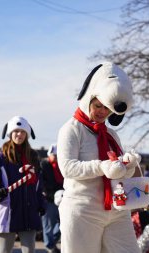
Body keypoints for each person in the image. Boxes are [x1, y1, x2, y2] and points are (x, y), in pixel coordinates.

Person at [57, 62, 142, 253]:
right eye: (98, 106)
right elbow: (68, 168)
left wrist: (127, 166)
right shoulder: (70, 129)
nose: (102, 112)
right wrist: (102, 166)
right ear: (89, 99)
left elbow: (116, 171)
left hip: (116, 210)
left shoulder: (112, 135)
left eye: (107, 108)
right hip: (82, 209)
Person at [0, 116, 46, 253]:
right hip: (9, 212)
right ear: (10, 133)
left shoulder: (33, 158)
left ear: (27, 134)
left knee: (29, 251)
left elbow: (38, 185)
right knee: (5, 251)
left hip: (29, 211)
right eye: (16, 131)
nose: (19, 134)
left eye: (23, 132)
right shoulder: (0, 159)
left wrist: (41, 203)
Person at [40, 144, 63, 253]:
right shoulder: (44, 165)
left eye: (58, 155)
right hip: (48, 199)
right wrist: (47, 193)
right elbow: (41, 181)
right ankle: (50, 246)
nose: (57, 157)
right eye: (55, 155)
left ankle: (52, 244)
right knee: (49, 225)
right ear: (50, 154)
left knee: (62, 224)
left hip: (60, 199)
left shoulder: (61, 166)